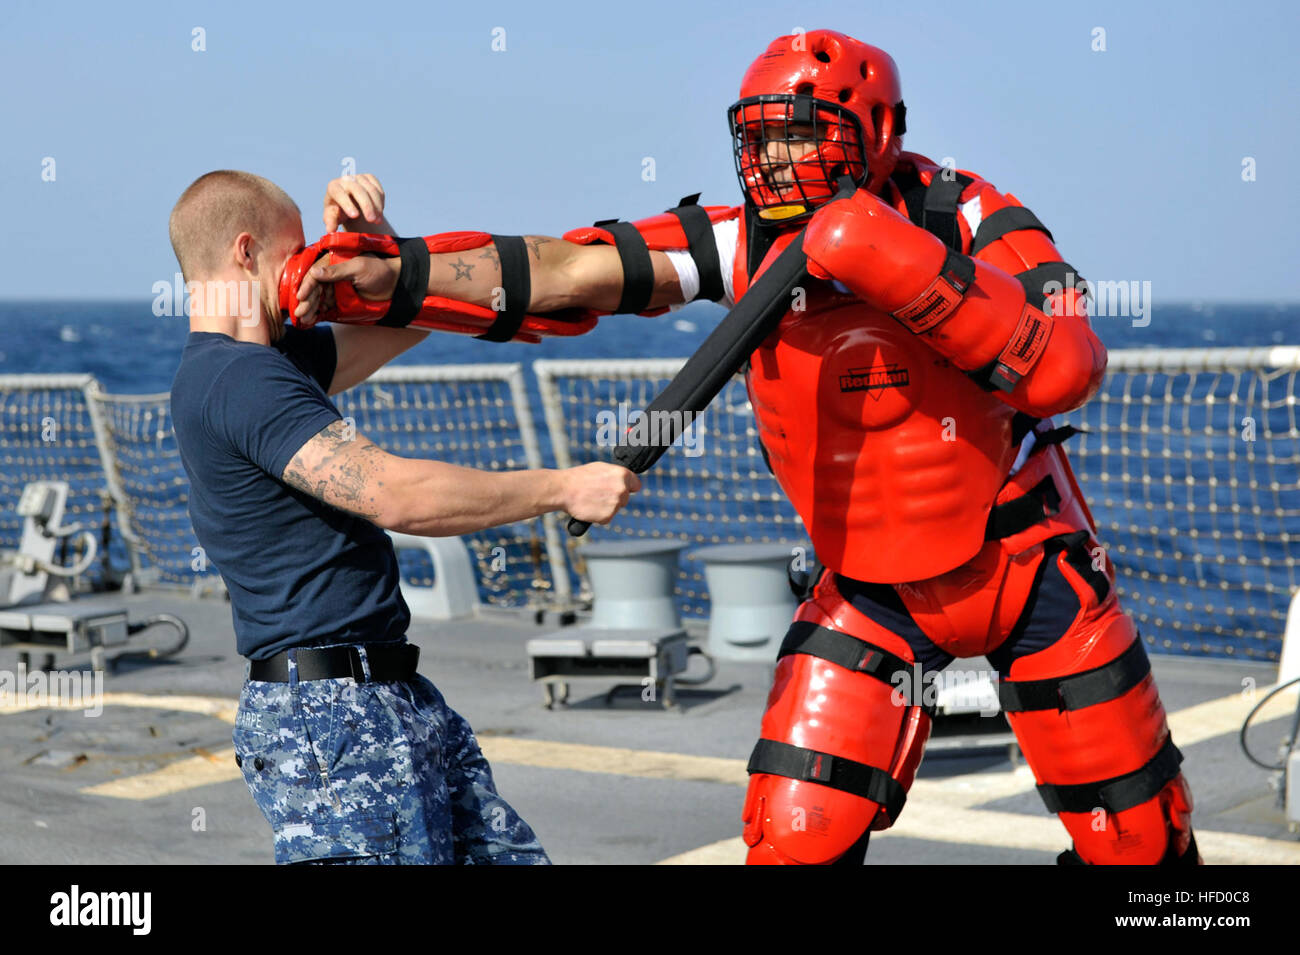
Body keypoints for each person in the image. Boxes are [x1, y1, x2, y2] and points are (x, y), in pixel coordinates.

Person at [294, 29, 1199, 866]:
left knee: (1138, 839)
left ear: (875, 130)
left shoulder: (966, 213)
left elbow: (1066, 364)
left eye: (798, 133)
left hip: (1026, 562)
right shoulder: (742, 240)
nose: (770, 158)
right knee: (793, 834)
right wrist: (392, 275)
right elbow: (568, 269)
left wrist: (894, 258)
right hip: (872, 585)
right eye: (758, 137)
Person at [167, 169, 640, 864]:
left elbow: (411, 321)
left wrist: (381, 254)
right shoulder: (237, 380)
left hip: (388, 693)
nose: (307, 272)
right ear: (246, 251)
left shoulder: (270, 366)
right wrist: (560, 488)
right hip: (327, 716)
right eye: (296, 252)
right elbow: (395, 493)